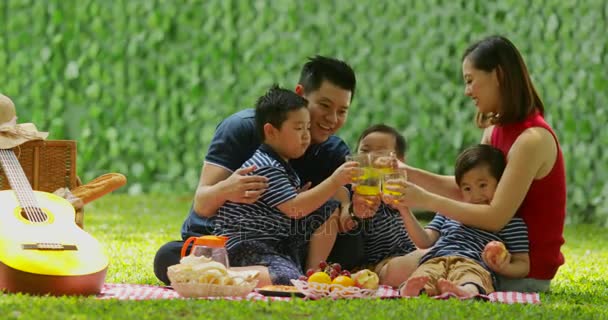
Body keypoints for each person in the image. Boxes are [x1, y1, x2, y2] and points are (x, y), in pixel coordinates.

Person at [154, 56, 367, 285]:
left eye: (342, 111)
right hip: (224, 239)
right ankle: (219, 270)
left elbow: (341, 209)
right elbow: (202, 205)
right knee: (168, 256)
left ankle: (298, 275)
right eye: (324, 106)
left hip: (283, 240)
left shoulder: (332, 149)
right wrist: (227, 189)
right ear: (300, 94)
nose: (332, 119)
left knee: (353, 244)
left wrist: (353, 211)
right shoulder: (242, 128)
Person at [397, 35, 565, 292]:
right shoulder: (495, 129)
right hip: (477, 253)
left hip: (515, 269)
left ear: (497, 75)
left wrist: (426, 200)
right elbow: (469, 188)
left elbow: (495, 217)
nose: (467, 91)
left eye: (470, 80)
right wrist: (407, 173)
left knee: (403, 269)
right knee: (393, 268)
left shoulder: (532, 139)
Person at [214, 85, 357, 285]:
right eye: (299, 129)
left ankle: (315, 273)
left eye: (307, 128)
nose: (306, 135)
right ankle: (221, 273)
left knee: (327, 209)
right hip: (244, 245)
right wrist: (335, 180)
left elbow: (292, 206)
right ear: (271, 131)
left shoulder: (281, 164)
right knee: (287, 278)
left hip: (272, 241)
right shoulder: (266, 166)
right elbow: (295, 208)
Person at [391, 144, 530, 297]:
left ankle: (465, 291)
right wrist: (404, 211)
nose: (476, 195)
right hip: (436, 258)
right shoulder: (450, 210)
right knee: (423, 274)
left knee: (471, 277)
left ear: (501, 184)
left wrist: (504, 268)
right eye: (467, 188)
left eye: (483, 185)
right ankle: (413, 290)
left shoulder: (508, 220)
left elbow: (523, 264)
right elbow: (424, 241)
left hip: (474, 263)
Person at [348, 124, 422, 287]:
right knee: (403, 266)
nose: (372, 157)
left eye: (380, 152)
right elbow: (346, 220)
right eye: (365, 151)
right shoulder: (355, 192)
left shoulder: (397, 192)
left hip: (406, 254)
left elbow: (417, 237)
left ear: (400, 161)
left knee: (430, 255)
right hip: (377, 265)